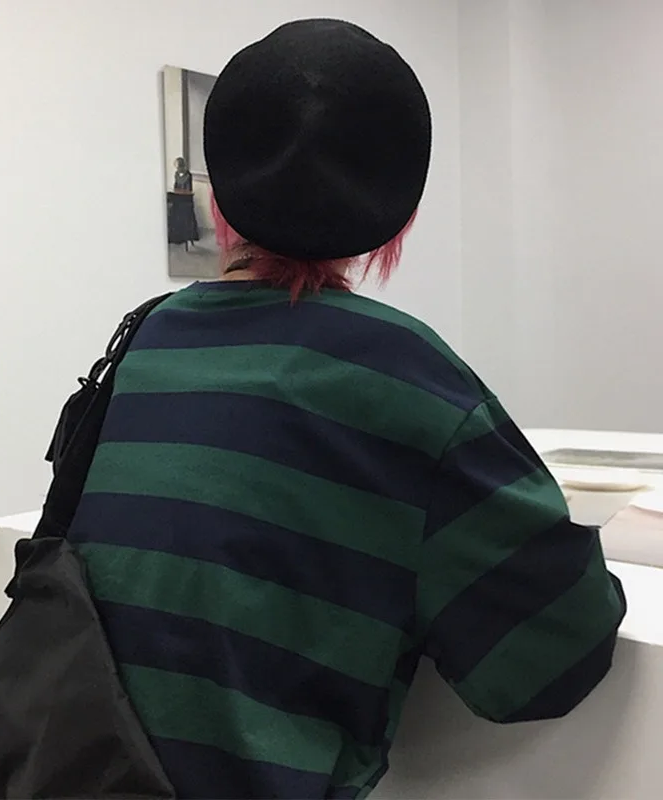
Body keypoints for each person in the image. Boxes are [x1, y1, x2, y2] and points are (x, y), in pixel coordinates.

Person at [68, 19, 626, 799]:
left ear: (221, 194)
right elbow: (552, 659)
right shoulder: (404, 375)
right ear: (398, 214)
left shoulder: (146, 339)